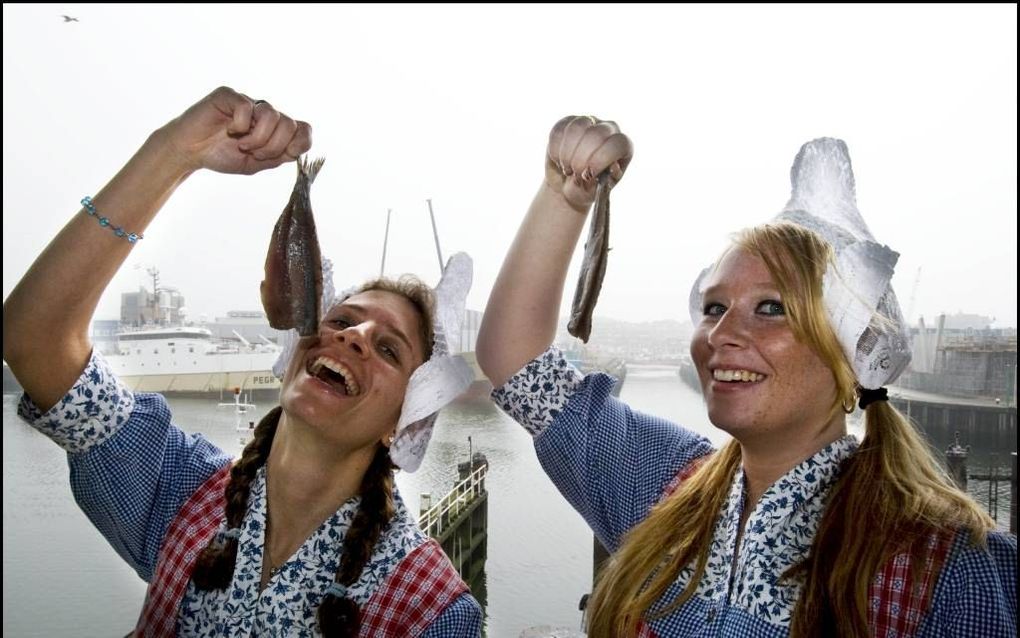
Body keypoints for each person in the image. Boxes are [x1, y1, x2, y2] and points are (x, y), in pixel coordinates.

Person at [476, 116, 1016, 637]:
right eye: (713, 308)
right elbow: (518, 365)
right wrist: (566, 197)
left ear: (852, 356)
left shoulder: (945, 568)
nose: (721, 333)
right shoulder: (664, 485)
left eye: (771, 308)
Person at [3, 86, 482, 637]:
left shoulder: (430, 611)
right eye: (343, 320)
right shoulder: (180, 488)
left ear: (407, 420)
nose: (353, 337)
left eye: (389, 348)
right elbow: (33, 340)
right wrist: (174, 153)